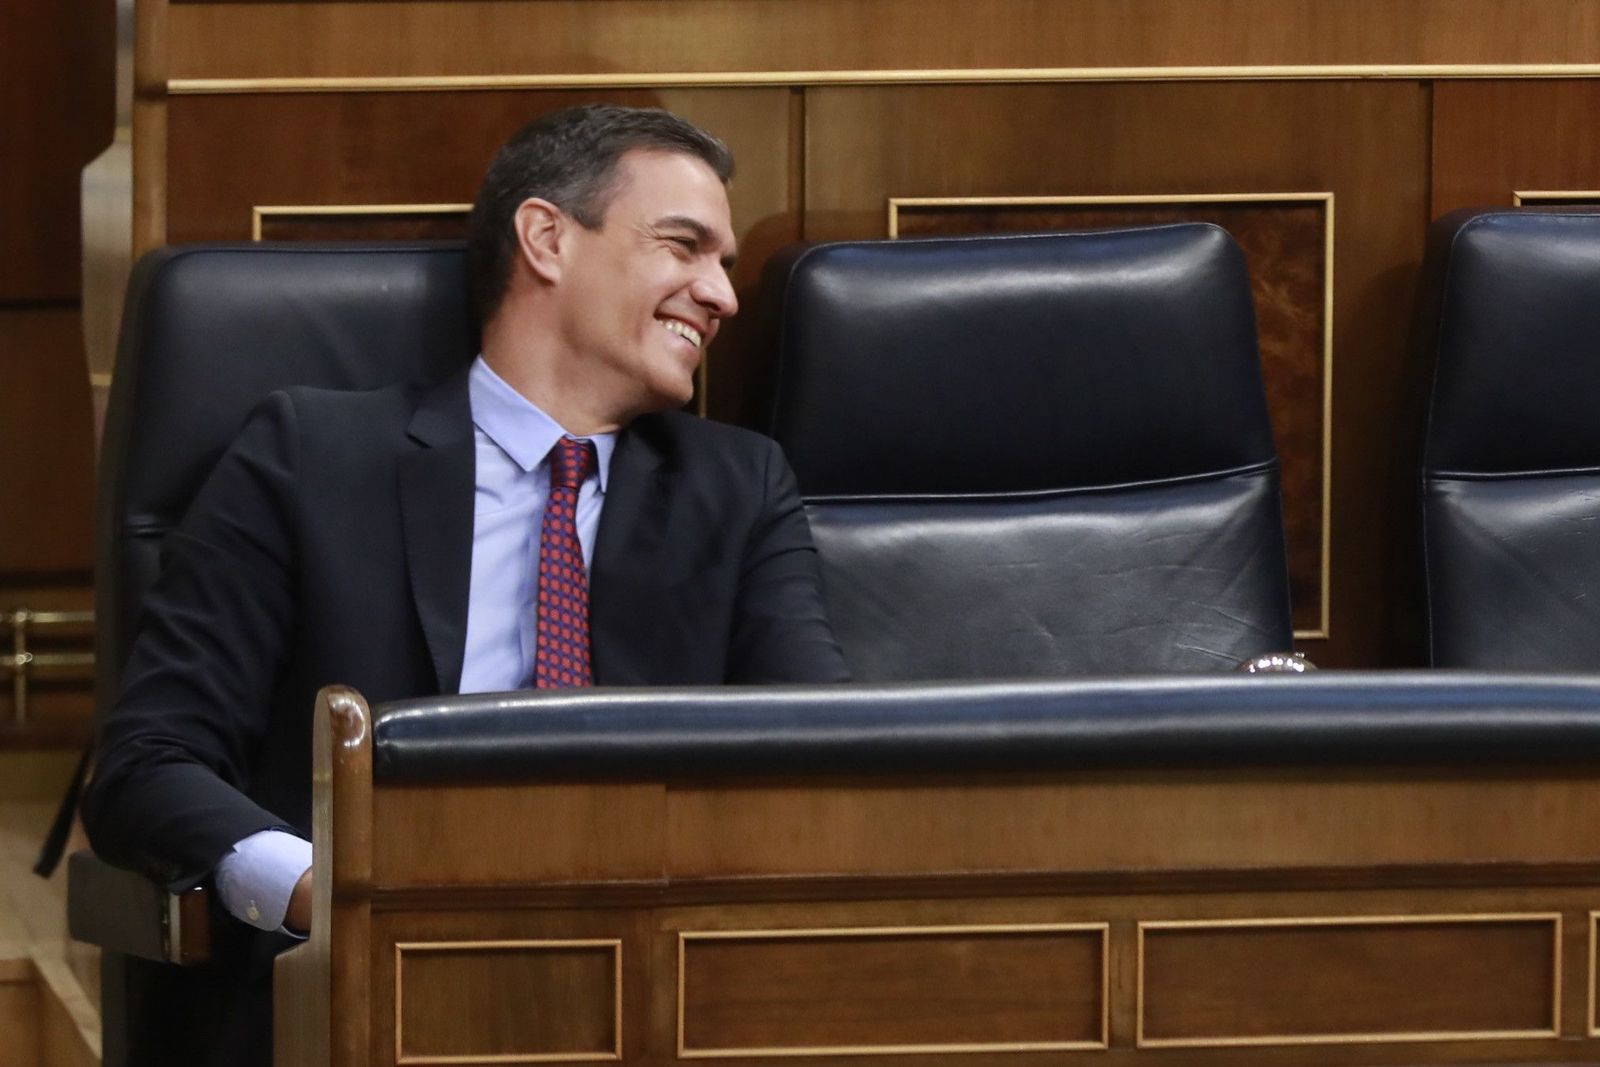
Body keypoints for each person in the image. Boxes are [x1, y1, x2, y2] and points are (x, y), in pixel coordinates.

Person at [81, 104, 848, 1065]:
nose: (723, 295)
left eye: (726, 263)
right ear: (546, 238)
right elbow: (148, 763)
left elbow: (825, 763)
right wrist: (334, 892)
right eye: (685, 247)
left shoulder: (739, 490)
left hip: (652, 996)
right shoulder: (312, 455)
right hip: (365, 1001)